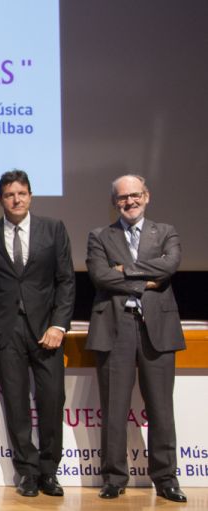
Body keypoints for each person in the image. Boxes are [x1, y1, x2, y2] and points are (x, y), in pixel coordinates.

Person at [86, 174, 186, 503]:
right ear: (114, 202)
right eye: (122, 198)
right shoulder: (100, 235)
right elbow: (100, 275)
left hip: (156, 326)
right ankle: (114, 478)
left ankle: (166, 478)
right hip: (116, 326)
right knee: (114, 408)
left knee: (161, 408)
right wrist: (147, 280)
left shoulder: (166, 231)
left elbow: (170, 265)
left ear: (146, 196)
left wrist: (124, 270)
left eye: (135, 195)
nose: (129, 202)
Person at [0, 170, 74, 497]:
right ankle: (27, 473)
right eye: (9, 195)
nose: (16, 200)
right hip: (6, 333)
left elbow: (66, 281)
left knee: (52, 400)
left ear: (31, 196)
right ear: (0, 200)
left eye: (21, 193)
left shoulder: (53, 228)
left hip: (46, 331)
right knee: (16, 404)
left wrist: (59, 325)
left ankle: (50, 471)